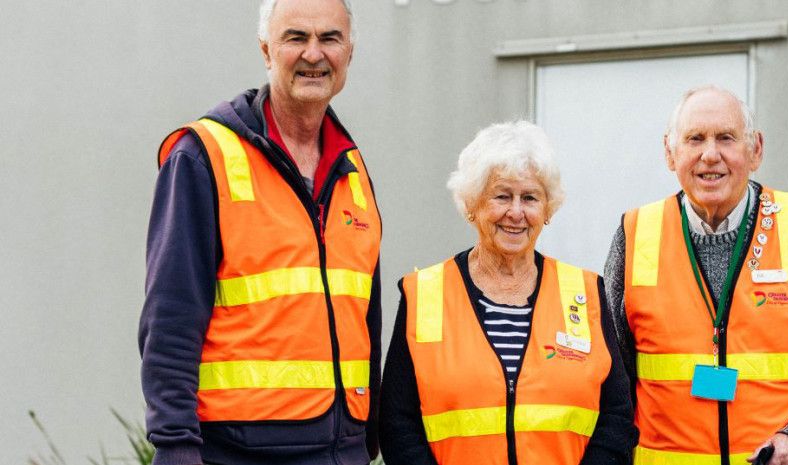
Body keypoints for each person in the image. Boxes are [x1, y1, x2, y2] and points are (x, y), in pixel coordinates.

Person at [138, 1, 382, 464]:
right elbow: (170, 318)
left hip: (341, 450)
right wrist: (174, 444)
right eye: (296, 38)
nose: (315, 54)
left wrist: (364, 440)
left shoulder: (351, 169)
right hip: (235, 452)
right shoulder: (201, 156)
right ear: (266, 50)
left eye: (330, 38)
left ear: (349, 52)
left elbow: (364, 313)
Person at [604, 86, 788, 465]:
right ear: (670, 152)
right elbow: (610, 384)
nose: (710, 155)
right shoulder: (635, 236)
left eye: (726, 138)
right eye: (695, 139)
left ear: (756, 149)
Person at [379, 121, 637, 465]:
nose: (516, 213)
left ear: (547, 209)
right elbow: (398, 424)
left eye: (530, 197)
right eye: (502, 196)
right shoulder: (424, 294)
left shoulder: (584, 292)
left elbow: (616, 415)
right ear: (473, 204)